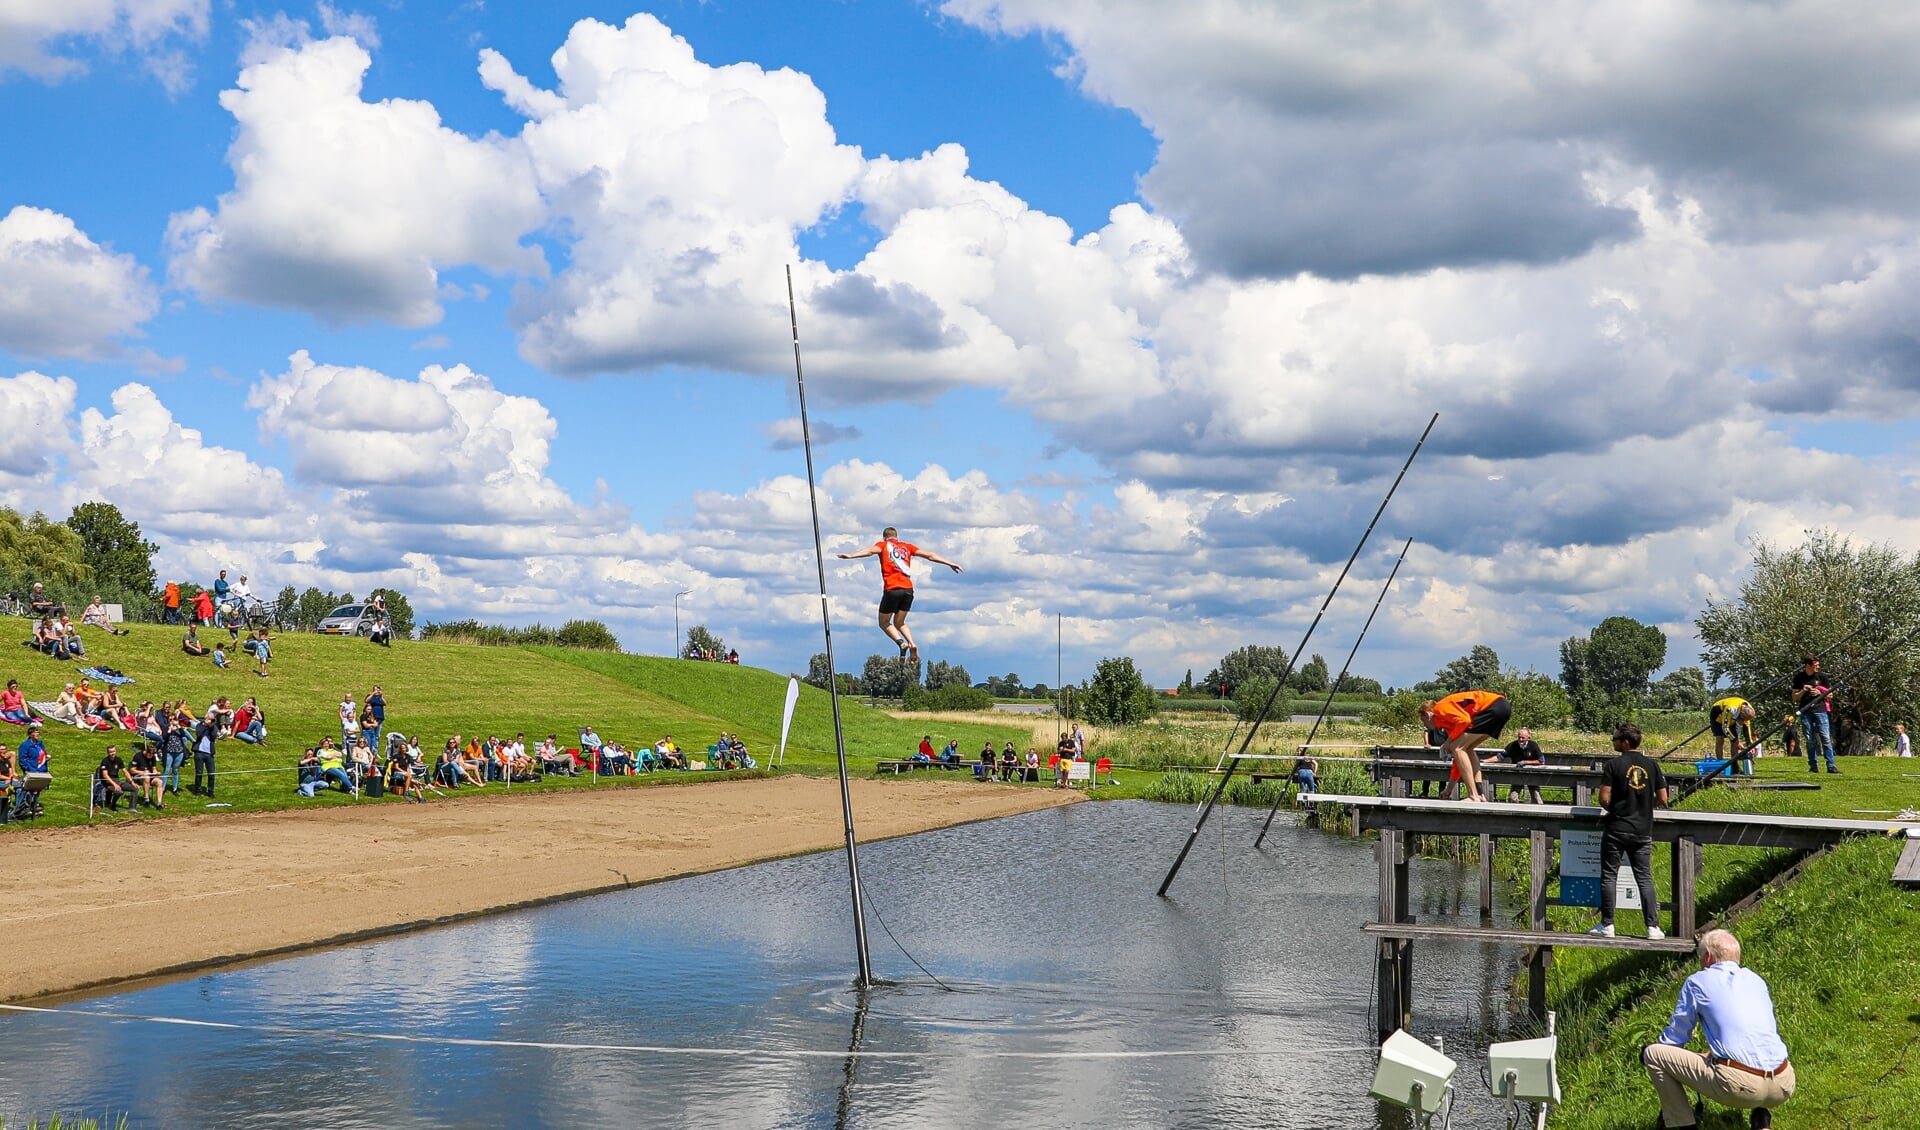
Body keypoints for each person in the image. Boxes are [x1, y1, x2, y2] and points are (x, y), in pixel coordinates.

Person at [1641, 929, 1793, 1129]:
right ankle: (1762, 1119)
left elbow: (1675, 1039)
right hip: (1784, 1083)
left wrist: (1653, 1051)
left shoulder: (1697, 981)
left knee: (1653, 1054)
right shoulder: (1756, 981)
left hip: (1740, 1086)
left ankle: (1684, 1125)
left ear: (1708, 957)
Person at [835, 526, 962, 663]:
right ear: (897, 537)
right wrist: (950, 563)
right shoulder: (907, 547)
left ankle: (902, 643)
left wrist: (851, 555)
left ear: (884, 537)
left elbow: (870, 551)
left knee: (883, 622)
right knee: (900, 622)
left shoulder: (883, 545)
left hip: (892, 589)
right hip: (908, 590)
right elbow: (930, 555)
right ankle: (912, 642)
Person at [1589, 722, 1668, 940]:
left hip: (1617, 828)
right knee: (1644, 878)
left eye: (1614, 739)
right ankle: (1653, 927)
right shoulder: (1652, 765)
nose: (1612, 742)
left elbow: (1604, 797)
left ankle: (1607, 925)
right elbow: (1663, 798)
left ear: (1624, 742)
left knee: (1609, 877)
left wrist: (1615, 809)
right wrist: (1644, 808)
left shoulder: (1613, 765)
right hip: (1643, 830)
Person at [1420, 690, 1511, 803]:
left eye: (1423, 720)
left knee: (1457, 748)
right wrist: (1449, 789)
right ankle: (1480, 794)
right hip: (1502, 708)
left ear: (1428, 715)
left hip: (1492, 707)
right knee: (1466, 749)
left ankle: (1473, 796)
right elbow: (1459, 761)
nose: (1424, 724)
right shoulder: (1449, 723)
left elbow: (1465, 720)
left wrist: (1448, 742)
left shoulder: (1439, 708)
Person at [1790, 655, 1839, 774]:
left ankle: (1831, 766)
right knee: (1809, 739)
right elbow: (1794, 697)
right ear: (1808, 665)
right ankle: (1813, 766)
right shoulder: (1799, 678)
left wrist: (1819, 692)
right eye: (1815, 665)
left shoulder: (1822, 677)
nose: (1818, 666)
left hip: (1821, 710)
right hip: (1805, 712)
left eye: (1818, 664)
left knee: (1826, 738)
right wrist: (1803, 690)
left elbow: (1831, 695)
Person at [1500, 727, 1546, 803]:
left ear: (1528, 738)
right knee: (1513, 798)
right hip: (1518, 774)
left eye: (1523, 738)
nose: (1520, 740)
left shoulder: (1533, 745)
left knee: (1537, 798)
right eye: (1519, 737)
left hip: (1532, 774)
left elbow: (1542, 761)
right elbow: (1499, 757)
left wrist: (1526, 762)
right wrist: (1484, 761)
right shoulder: (1513, 745)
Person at [1709, 696, 1758, 765]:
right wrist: (1736, 742)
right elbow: (1725, 728)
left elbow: (1747, 729)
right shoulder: (1730, 709)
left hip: (1731, 719)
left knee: (1734, 742)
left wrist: (1750, 745)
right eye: (1743, 719)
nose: (1743, 722)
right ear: (1741, 713)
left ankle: (1734, 765)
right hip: (1717, 716)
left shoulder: (1748, 709)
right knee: (1720, 739)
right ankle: (1720, 763)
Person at [95, 745, 132, 812]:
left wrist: (132, 782)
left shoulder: (119, 760)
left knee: (134, 788)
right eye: (110, 752)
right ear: (108, 753)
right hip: (108, 783)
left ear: (116, 751)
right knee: (119, 792)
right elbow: (105, 776)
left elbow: (125, 771)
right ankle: (113, 805)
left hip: (117, 781)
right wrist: (115, 785)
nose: (112, 753)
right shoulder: (105, 761)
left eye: (114, 751)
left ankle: (132, 808)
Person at [129, 742, 164, 810]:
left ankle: (159, 803)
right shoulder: (138, 756)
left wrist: (156, 773)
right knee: (146, 778)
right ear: (147, 752)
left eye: (152, 755)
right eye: (150, 755)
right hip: (139, 776)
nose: (151, 756)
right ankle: (146, 799)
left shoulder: (152, 757)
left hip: (150, 775)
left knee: (159, 782)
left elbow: (154, 768)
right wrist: (142, 772)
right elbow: (132, 770)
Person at [366, 685, 385, 752]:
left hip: (380, 719)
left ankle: (375, 751)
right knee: (372, 734)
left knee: (377, 736)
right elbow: (366, 700)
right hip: (373, 719)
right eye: (375, 690)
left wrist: (381, 696)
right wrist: (373, 694)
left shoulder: (380, 698)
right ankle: (370, 749)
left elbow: (385, 703)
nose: (377, 691)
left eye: (378, 690)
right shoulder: (371, 697)